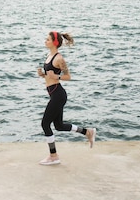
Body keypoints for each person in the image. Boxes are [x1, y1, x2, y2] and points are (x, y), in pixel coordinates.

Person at [36, 31, 96, 165]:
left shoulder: (59, 58)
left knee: (45, 124)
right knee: (59, 125)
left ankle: (53, 156)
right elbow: (50, 74)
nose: (45, 41)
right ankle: (88, 132)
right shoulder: (49, 55)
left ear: (55, 42)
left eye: (47, 39)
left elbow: (68, 76)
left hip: (58, 95)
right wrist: (43, 74)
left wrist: (55, 77)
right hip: (53, 93)